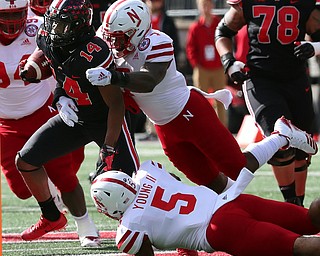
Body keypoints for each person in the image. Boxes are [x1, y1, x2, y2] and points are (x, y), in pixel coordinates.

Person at [86, 0, 317, 197]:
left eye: (120, 37)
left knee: (238, 167)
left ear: (138, 30)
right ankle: (246, 213)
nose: (114, 44)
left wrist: (113, 76)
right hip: (164, 127)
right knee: (213, 184)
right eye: (111, 37)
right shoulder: (109, 41)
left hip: (190, 113)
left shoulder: (157, 41)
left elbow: (149, 80)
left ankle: (281, 135)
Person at [90, 118, 320, 256]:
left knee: (299, 248)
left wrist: (183, 244)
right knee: (311, 219)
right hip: (231, 200)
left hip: (221, 228)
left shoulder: (130, 228)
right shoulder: (147, 172)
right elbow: (173, 182)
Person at [15, 0, 140, 243]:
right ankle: (51, 215)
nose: (53, 29)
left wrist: (109, 147)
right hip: (75, 116)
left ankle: (152, 226)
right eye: (52, 21)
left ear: (78, 27)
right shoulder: (48, 36)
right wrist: (59, 96)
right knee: (26, 160)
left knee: (127, 186)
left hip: (105, 120)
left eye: (61, 25)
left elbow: (116, 104)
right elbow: (57, 68)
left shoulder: (94, 51)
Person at [0, 0, 101, 247]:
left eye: (18, 14)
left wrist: (62, 95)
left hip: (41, 110)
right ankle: (51, 202)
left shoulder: (40, 29)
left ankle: (86, 226)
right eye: (6, 15)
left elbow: (62, 61)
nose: (12, 21)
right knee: (22, 189)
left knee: (63, 173)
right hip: (5, 121)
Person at [215, 0, 320, 206]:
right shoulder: (249, 3)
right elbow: (223, 32)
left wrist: (314, 47)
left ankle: (297, 206)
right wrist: (229, 62)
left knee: (301, 152)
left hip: (296, 82)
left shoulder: (307, 4)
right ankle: (291, 204)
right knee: (279, 141)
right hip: (261, 80)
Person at [139, 0, 182, 142]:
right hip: (145, 63)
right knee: (147, 96)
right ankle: (151, 129)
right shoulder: (142, 19)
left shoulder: (167, 20)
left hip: (162, 64)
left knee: (164, 96)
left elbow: (174, 41)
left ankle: (167, 127)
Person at [186, 0, 228, 126]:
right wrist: (196, 65)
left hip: (218, 67)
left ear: (212, 6)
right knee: (200, 101)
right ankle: (201, 126)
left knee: (220, 100)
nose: (205, 8)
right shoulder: (196, 27)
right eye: (203, 5)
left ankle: (222, 127)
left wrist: (224, 61)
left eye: (208, 5)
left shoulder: (219, 24)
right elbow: (190, 48)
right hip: (202, 68)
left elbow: (226, 40)